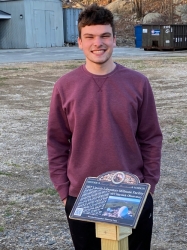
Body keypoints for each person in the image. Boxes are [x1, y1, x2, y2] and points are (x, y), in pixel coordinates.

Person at [47, 4, 162, 250]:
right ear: (79, 41)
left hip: (131, 193)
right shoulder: (65, 86)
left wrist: (149, 185)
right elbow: (57, 142)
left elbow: (151, 137)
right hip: (83, 194)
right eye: (89, 37)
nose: (97, 43)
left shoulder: (138, 83)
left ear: (114, 40)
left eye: (104, 36)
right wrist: (65, 192)